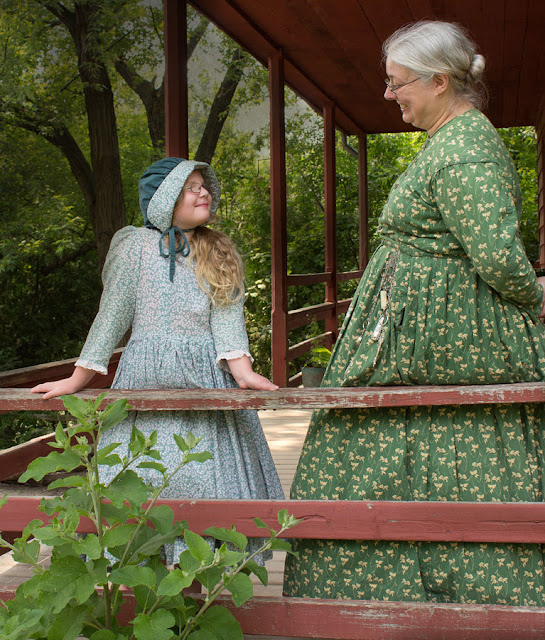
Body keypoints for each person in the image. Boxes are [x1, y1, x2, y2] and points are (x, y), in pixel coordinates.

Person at [283, 20, 545, 605]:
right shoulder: (453, 142)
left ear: (440, 81)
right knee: (406, 440)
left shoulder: (465, 152)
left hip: (449, 339)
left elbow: (499, 257)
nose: (388, 94)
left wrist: (535, 302)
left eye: (397, 82)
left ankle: (459, 596)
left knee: (433, 438)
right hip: (425, 340)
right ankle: (406, 590)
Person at [32, 157, 284, 563]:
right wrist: (77, 380)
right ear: (165, 198)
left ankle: (197, 571)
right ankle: (148, 569)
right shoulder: (135, 246)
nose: (204, 192)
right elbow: (112, 314)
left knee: (206, 476)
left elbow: (226, 317)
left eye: (205, 186)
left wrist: (243, 371)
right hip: (144, 377)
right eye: (191, 186)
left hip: (205, 378)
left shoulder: (216, 249)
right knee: (144, 474)